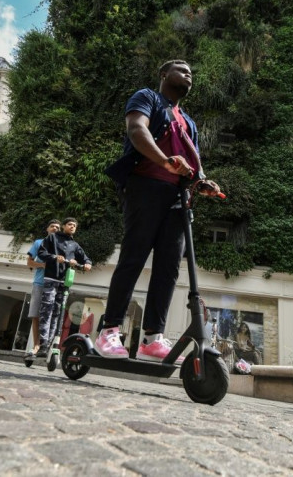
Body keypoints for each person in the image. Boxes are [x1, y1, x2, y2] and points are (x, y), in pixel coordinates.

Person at [97, 59, 220, 362]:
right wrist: (166, 160)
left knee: (168, 267)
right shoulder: (147, 98)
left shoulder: (188, 121)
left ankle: (152, 338)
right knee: (134, 256)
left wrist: (201, 181)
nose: (188, 74)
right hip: (144, 186)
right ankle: (109, 330)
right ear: (164, 74)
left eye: (192, 71)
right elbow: (137, 131)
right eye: (181, 69)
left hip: (177, 197)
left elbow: (193, 159)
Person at [35, 217, 92, 357]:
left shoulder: (75, 245)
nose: (72, 227)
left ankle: (50, 344)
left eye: (74, 226)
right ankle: (42, 344)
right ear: (64, 226)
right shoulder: (52, 238)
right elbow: (41, 253)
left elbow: (86, 259)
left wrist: (87, 264)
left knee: (58, 313)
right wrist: (55, 257)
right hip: (50, 279)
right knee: (46, 310)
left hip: (64, 282)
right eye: (70, 224)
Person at [25, 219, 61, 356]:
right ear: (47, 229)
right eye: (52, 226)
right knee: (36, 315)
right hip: (39, 283)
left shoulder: (61, 246)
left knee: (53, 316)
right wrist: (43, 265)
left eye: (58, 227)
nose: (55, 229)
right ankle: (36, 345)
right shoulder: (38, 243)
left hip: (55, 285)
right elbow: (29, 262)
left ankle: (47, 345)